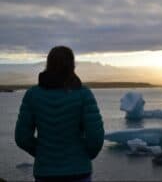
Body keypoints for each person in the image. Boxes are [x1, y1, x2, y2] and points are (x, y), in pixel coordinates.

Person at [15, 46, 104, 182]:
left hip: (45, 173)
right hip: (79, 171)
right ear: (72, 65)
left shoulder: (32, 94)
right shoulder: (83, 94)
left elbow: (22, 137)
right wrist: (84, 155)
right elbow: (96, 137)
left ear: (48, 64)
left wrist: (41, 153)